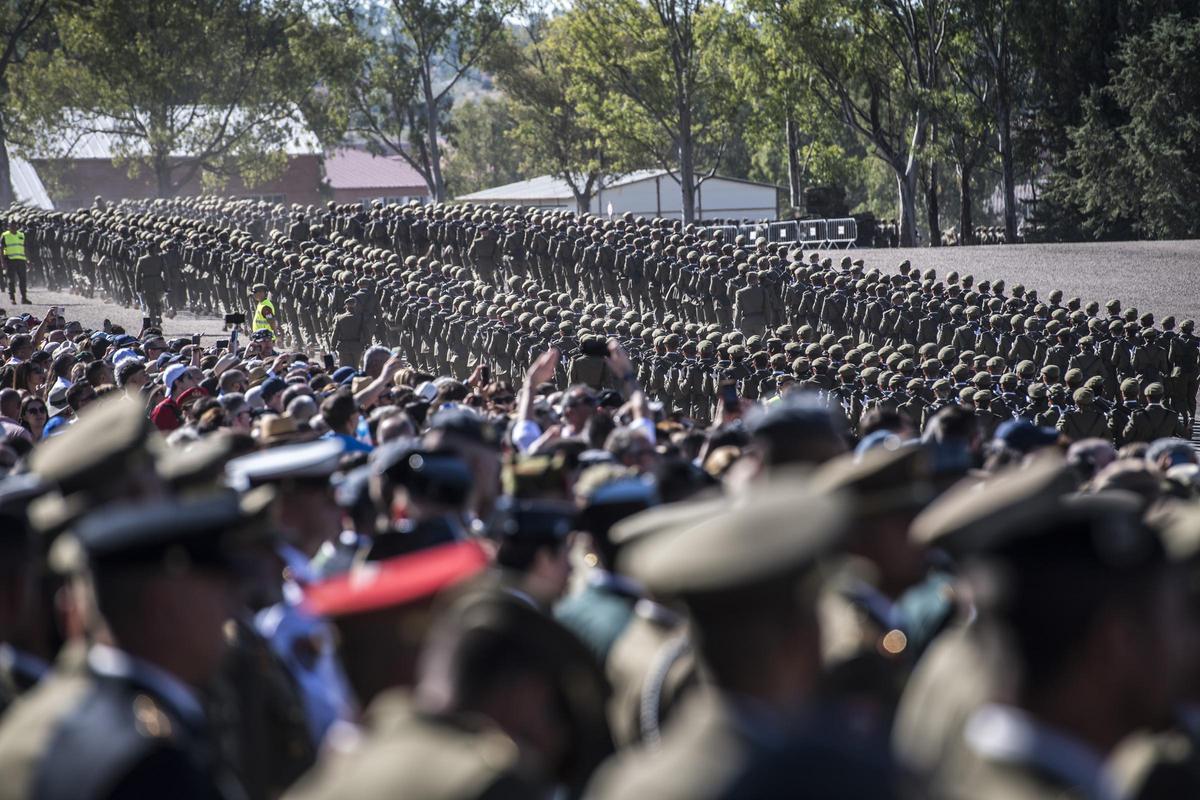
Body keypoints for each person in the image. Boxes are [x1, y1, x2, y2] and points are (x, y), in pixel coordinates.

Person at [1, 219, 29, 305]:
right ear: (8, 226)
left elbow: (25, 247)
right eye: (11, 225)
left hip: (21, 260)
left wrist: (28, 259)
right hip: (10, 260)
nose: (13, 227)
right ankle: (12, 298)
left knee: (23, 280)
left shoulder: (21, 235)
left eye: (14, 225)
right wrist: (2, 262)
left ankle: (24, 298)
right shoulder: (5, 236)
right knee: (11, 280)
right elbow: (1, 249)